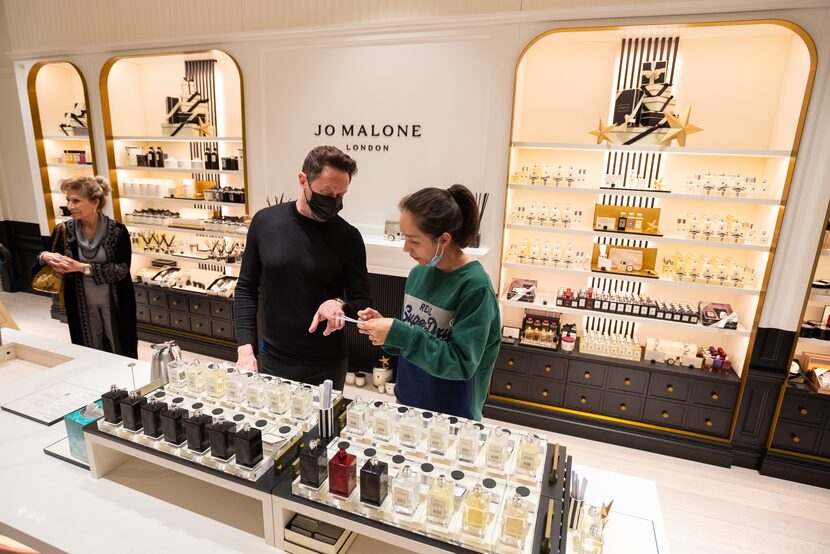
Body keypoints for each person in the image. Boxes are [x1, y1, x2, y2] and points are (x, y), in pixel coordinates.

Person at [357, 185, 500, 421]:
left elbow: (462, 364)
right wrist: (387, 331)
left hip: (452, 413)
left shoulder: (476, 287)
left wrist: (402, 334)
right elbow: (413, 341)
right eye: (404, 238)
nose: (405, 248)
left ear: (444, 239)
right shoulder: (418, 274)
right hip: (408, 401)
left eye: (413, 240)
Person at [234, 145, 372, 388]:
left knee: (322, 427)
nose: (333, 202)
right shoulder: (265, 223)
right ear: (303, 180)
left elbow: (362, 303)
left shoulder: (348, 237)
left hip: (327, 365)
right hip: (275, 358)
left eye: (341, 196)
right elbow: (246, 287)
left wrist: (338, 304)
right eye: (327, 193)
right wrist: (245, 348)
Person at [34, 175, 137, 358]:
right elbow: (42, 257)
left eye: (76, 201)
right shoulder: (64, 230)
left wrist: (83, 268)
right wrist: (46, 256)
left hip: (115, 303)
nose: (70, 206)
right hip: (80, 303)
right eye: (68, 200)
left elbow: (122, 269)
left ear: (95, 202)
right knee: (88, 349)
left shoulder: (117, 231)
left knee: (120, 348)